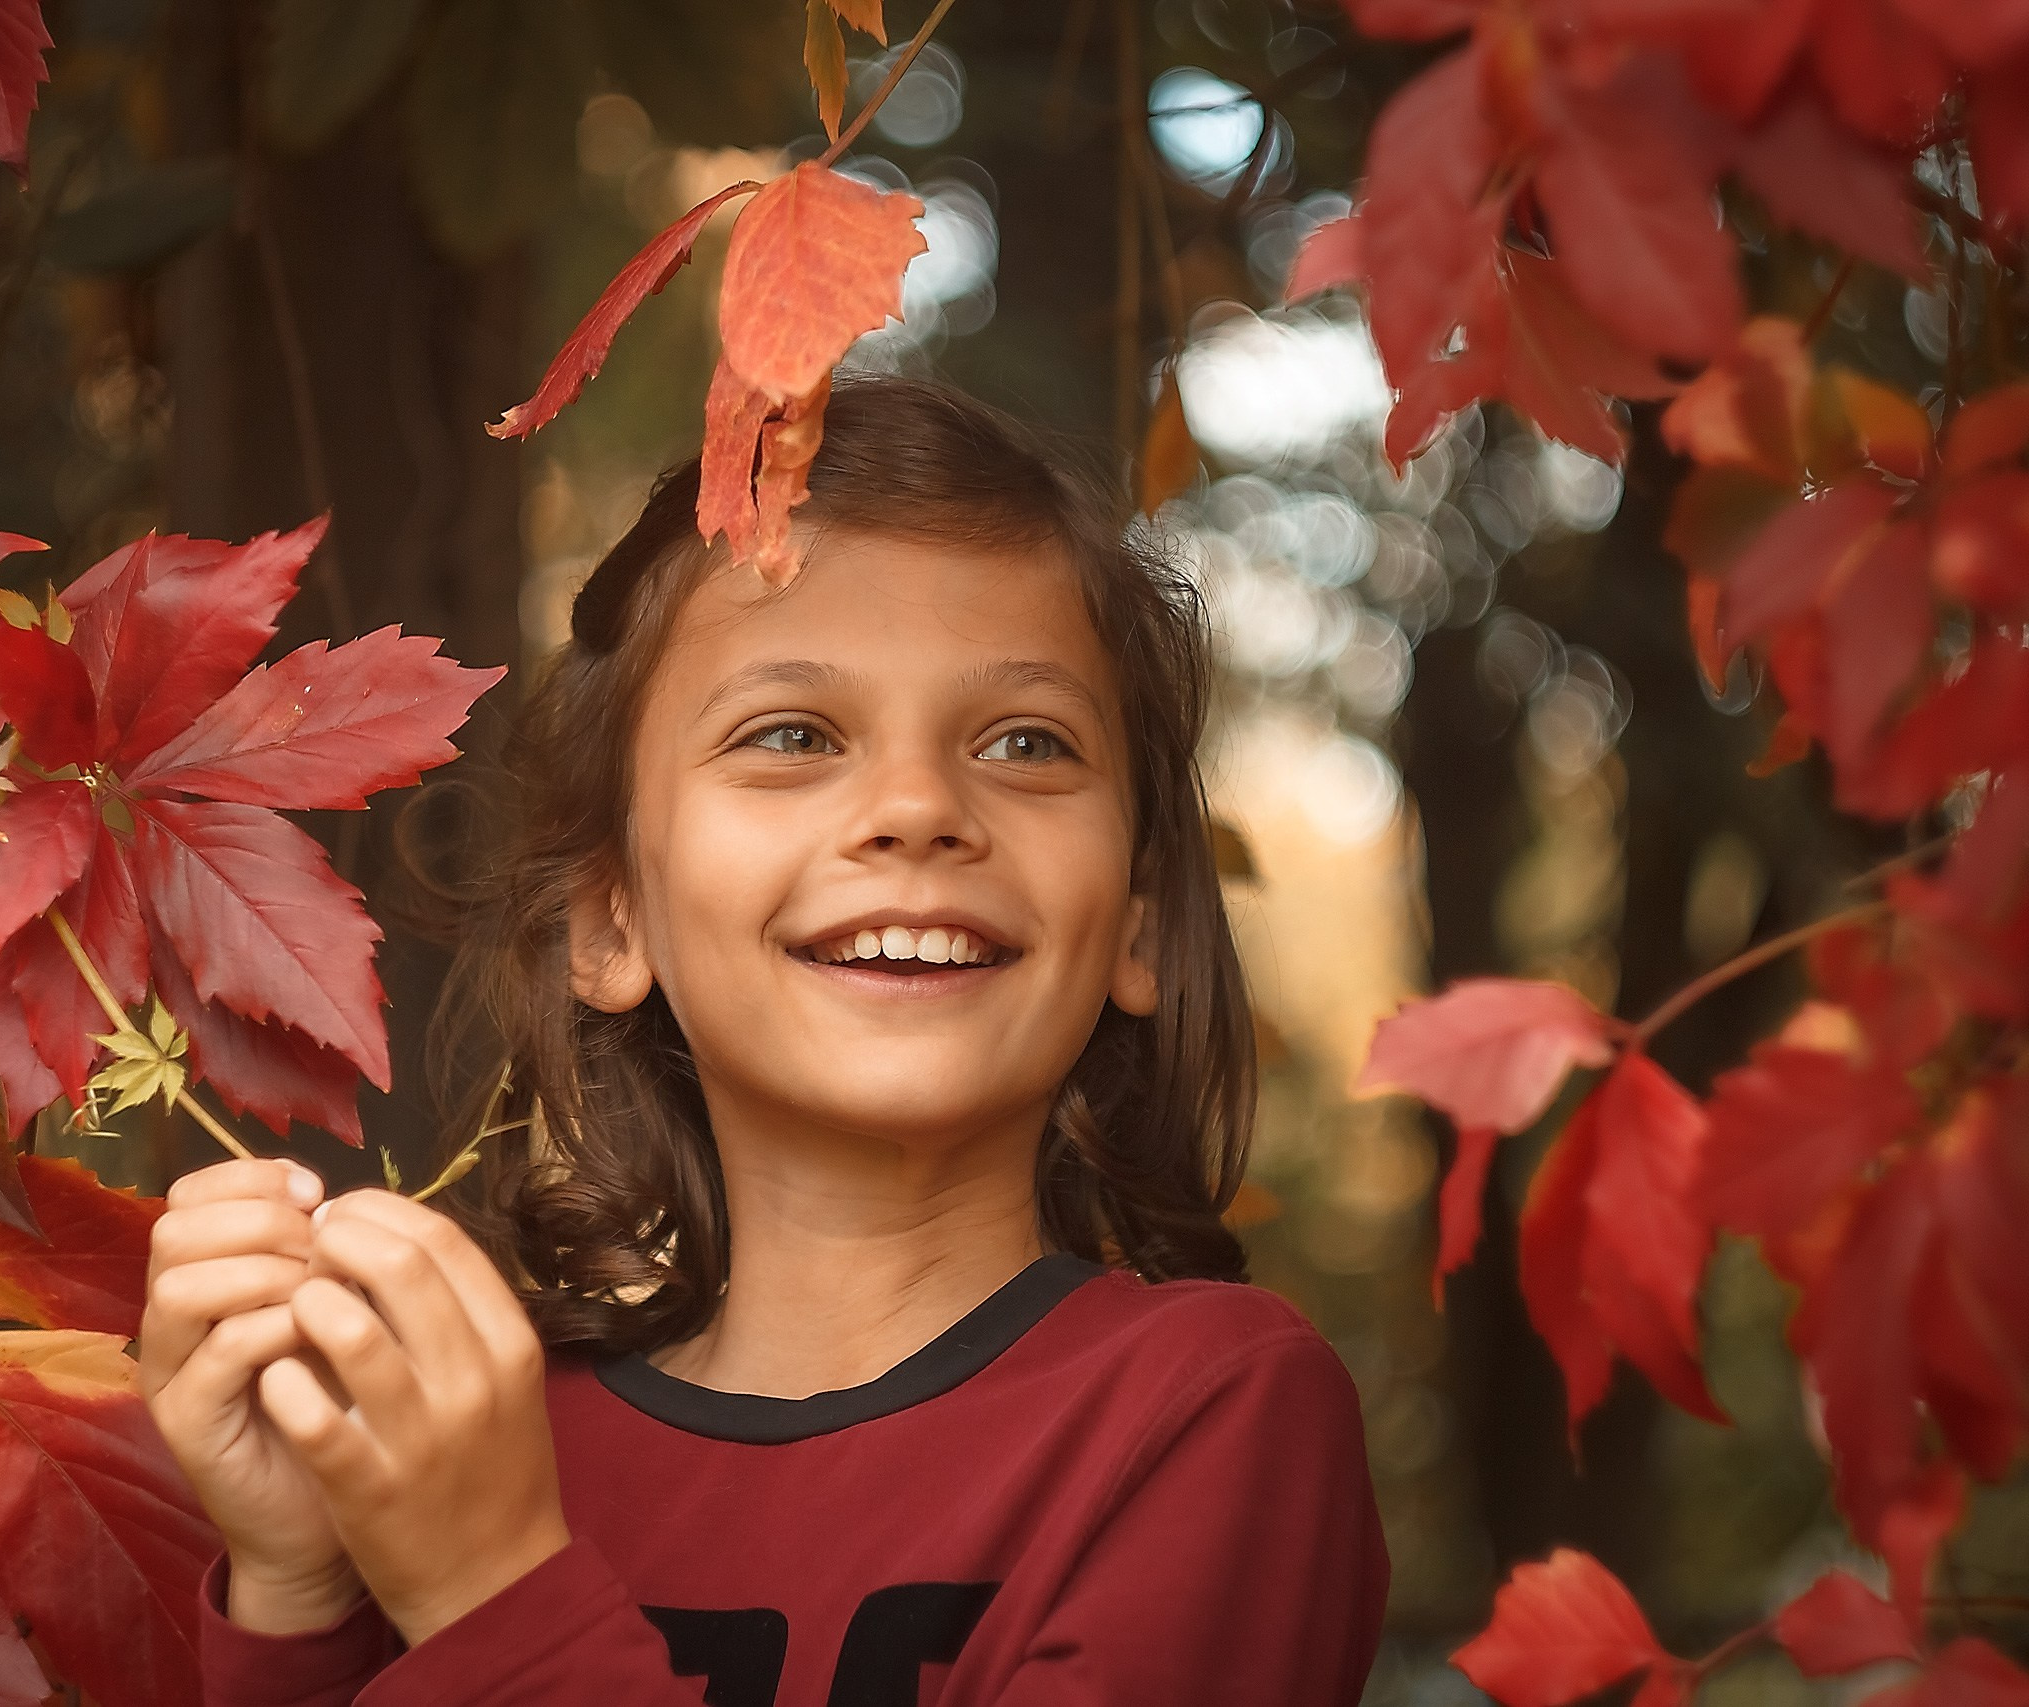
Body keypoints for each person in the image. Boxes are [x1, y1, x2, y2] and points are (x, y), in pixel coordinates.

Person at [140, 375, 1391, 1706]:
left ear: (1137, 927)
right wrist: (302, 1600)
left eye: (1026, 742)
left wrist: (490, 1593)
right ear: (611, 921)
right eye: (791, 735)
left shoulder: (1207, 1415)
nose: (917, 808)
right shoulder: (481, 1451)